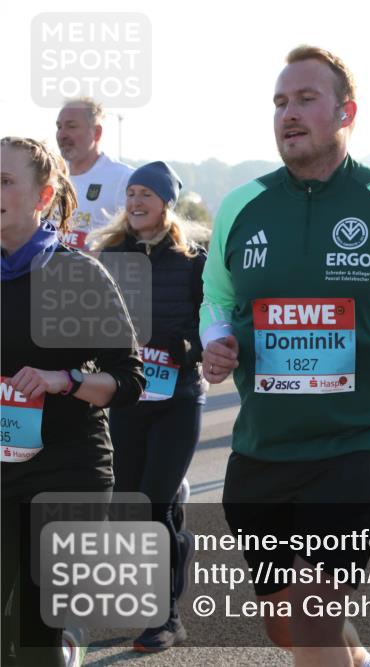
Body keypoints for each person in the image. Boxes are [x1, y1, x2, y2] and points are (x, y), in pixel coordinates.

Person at [199, 46, 370, 667]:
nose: (287, 114)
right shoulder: (243, 205)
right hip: (263, 446)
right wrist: (218, 340)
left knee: (316, 623)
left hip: (357, 443)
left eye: (304, 100)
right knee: (287, 627)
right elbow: (216, 297)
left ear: (347, 111)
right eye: (279, 103)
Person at [1, 136, 144, 665]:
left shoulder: (76, 274)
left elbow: (128, 380)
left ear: (43, 198)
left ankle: (55, 644)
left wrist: (61, 379)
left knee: (32, 639)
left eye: (5, 180)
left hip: (67, 469)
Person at [92, 161, 206, 651]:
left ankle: (165, 618)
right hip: (127, 397)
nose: (136, 201)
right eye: (131, 192)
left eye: (147, 194)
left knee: (155, 500)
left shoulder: (194, 257)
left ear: (166, 203)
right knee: (133, 504)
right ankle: (173, 555)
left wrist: (186, 349)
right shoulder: (108, 254)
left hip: (179, 397)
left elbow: (215, 321)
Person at [55, 97, 134, 249]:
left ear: (97, 132)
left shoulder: (124, 179)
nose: (62, 135)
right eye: (59, 127)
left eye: (71, 126)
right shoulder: (49, 174)